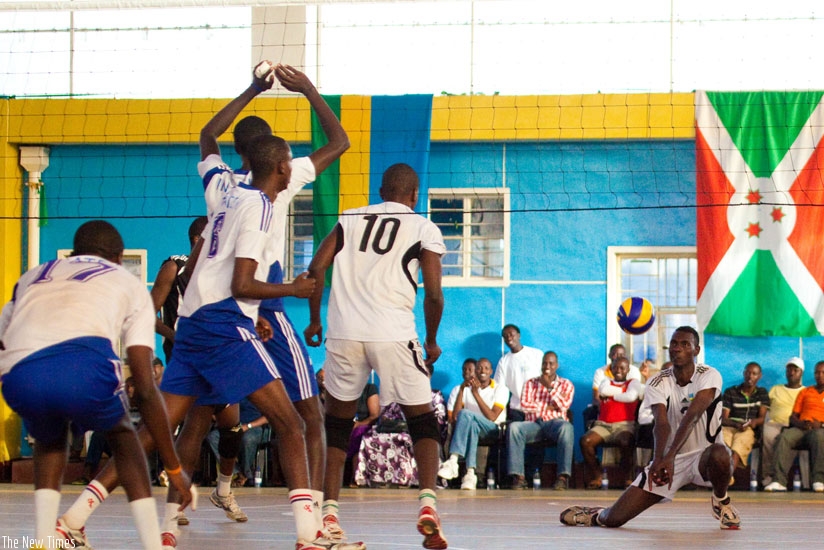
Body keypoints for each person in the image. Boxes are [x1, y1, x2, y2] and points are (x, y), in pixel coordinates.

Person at [58, 65, 354, 550]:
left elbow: (206, 134)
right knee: (294, 423)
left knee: (156, 432)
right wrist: (297, 292)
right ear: (282, 166)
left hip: (193, 321)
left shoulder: (220, 185)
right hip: (226, 321)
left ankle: (72, 519)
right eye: (287, 160)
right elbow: (243, 279)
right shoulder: (262, 203)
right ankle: (310, 535)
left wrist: (253, 87)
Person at [0, 220, 191, 550]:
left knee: (50, 435)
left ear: (74, 253)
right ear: (118, 257)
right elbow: (145, 388)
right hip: (81, 367)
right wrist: (174, 468)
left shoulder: (35, 274)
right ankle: (151, 543)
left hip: (19, 375)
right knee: (123, 436)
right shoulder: (127, 283)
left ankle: (45, 539)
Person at [304, 162, 448, 550]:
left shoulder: (349, 219)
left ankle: (329, 515)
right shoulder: (422, 226)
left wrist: (315, 319)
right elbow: (433, 294)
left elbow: (316, 268)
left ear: (380, 190)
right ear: (414, 195)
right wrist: (431, 340)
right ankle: (428, 505)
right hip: (394, 334)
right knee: (422, 421)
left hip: (344, 331)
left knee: (336, 423)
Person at [560, 326, 741, 530]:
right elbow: (661, 424)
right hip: (672, 458)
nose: (677, 348)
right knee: (614, 520)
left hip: (703, 457)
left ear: (696, 350)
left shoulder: (709, 374)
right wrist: (659, 459)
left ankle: (721, 501)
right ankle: (597, 514)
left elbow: (693, 415)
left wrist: (668, 455)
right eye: (674, 343)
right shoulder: (658, 381)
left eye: (684, 344)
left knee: (721, 453)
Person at [506, 351, 575, 490]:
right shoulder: (530, 383)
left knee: (567, 428)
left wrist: (549, 387)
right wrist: (550, 405)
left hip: (555, 424)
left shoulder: (566, 384)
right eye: (544, 363)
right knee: (514, 428)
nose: (547, 366)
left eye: (551, 363)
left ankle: (562, 477)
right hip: (534, 424)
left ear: (557, 365)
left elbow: (564, 405)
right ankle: (519, 478)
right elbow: (525, 405)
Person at [437, 357, 509, 490]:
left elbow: (492, 417)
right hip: (474, 429)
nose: (483, 370)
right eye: (480, 368)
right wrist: (462, 390)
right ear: (475, 371)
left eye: (486, 368)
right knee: (472, 426)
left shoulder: (500, 389)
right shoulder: (467, 388)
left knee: (465, 414)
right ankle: (470, 474)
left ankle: (453, 460)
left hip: (492, 429)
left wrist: (475, 394)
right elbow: (456, 418)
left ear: (491, 371)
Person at [580, 356, 642, 489]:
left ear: (628, 369)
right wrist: (623, 393)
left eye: (622, 368)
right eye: (615, 367)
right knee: (586, 441)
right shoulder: (605, 381)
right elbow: (603, 390)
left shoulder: (633, 382)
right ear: (611, 369)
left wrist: (612, 395)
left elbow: (632, 396)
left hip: (624, 425)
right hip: (603, 425)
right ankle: (597, 475)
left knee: (626, 441)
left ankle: (628, 477)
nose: (618, 370)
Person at [764, 360, 824, 493]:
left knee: (819, 436)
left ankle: (819, 480)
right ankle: (779, 481)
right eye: (817, 372)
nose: (819, 375)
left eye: (823, 372)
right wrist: (801, 424)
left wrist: (820, 424)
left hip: (820, 429)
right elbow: (793, 416)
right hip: (802, 428)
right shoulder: (806, 392)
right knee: (784, 437)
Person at [760, 357, 805, 487]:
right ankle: (767, 477)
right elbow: (765, 409)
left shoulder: (805, 391)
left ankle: (779, 478)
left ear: (801, 372)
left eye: (795, 370)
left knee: (787, 439)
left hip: (795, 426)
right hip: (775, 424)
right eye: (789, 369)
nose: (791, 372)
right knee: (768, 434)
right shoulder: (776, 389)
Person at [720, 362, 769, 476]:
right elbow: (723, 419)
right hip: (730, 426)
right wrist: (736, 424)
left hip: (748, 429)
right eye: (748, 373)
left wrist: (753, 422)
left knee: (738, 445)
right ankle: (721, 478)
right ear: (744, 373)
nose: (750, 376)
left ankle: (726, 477)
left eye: (754, 374)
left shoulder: (762, 393)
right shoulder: (730, 392)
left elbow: (762, 418)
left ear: (759, 376)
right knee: (722, 445)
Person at [494, 324, 543, 421]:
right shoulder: (503, 361)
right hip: (517, 410)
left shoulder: (536, 354)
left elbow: (547, 379)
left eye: (511, 334)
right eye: (505, 336)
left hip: (538, 407)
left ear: (519, 335)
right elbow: (499, 387)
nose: (509, 338)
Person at [590, 344, 642, 408]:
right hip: (607, 408)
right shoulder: (600, 372)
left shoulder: (633, 370)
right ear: (609, 355)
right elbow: (597, 397)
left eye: (621, 355)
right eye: (615, 354)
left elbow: (633, 395)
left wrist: (610, 397)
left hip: (627, 408)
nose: (618, 357)